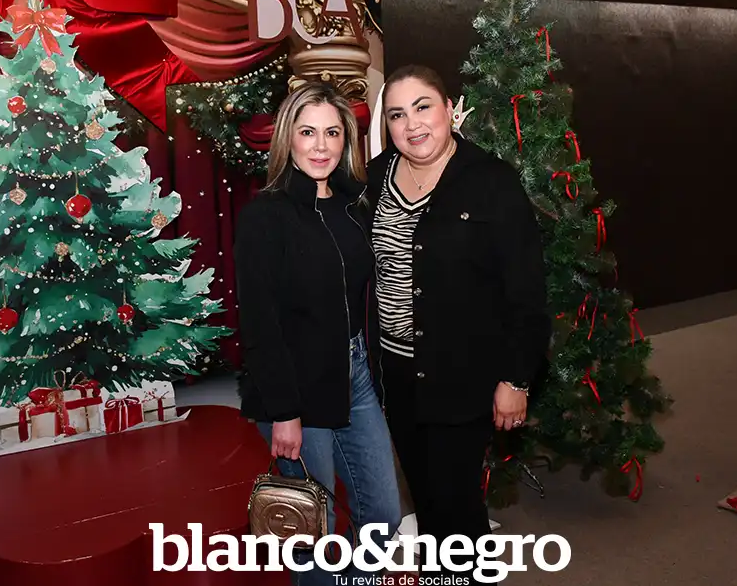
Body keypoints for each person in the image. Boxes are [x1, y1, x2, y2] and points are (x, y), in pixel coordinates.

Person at [363, 64, 551, 582]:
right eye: (397, 115)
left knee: (458, 509)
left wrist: (516, 380)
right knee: (426, 502)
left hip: (462, 373)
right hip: (395, 373)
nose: (412, 124)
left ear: (449, 109)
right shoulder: (375, 177)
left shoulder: (491, 181)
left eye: (423, 107)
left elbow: (526, 292)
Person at [234, 81, 402, 585]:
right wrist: (284, 412)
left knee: (383, 514)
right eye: (308, 132)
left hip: (355, 374)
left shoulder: (354, 205)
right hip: (296, 385)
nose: (321, 146)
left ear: (346, 139)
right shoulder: (265, 215)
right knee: (314, 529)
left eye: (332, 132)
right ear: (288, 137)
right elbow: (259, 322)